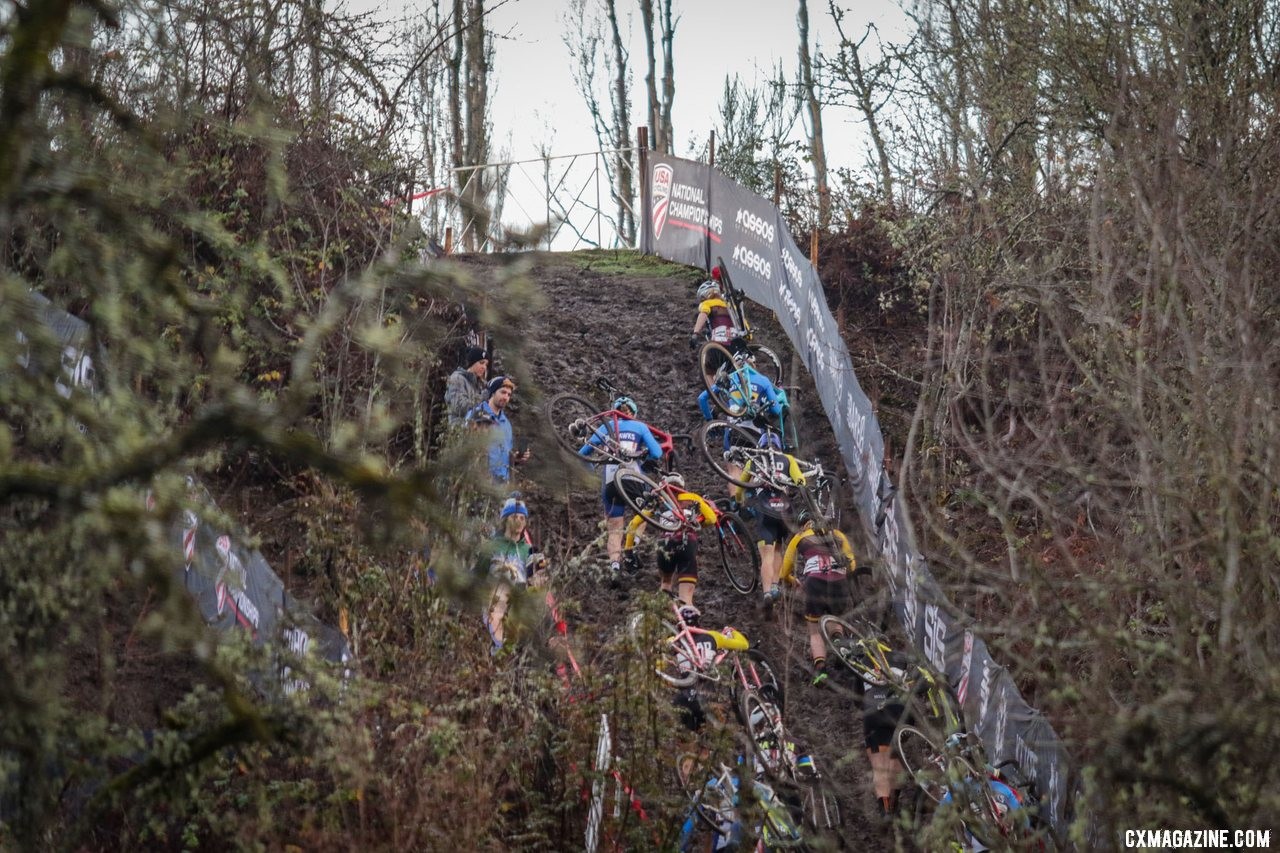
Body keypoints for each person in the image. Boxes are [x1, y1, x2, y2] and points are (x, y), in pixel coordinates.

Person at [577, 395, 664, 578]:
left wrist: (592, 471)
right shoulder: (639, 426)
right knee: (646, 512)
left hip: (610, 482)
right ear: (633, 412)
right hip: (631, 478)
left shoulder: (603, 428)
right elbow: (657, 452)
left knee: (614, 529)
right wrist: (645, 459)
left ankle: (614, 567)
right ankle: (631, 550)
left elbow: (582, 454)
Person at [778, 508, 863, 686]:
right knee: (835, 619)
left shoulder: (800, 537)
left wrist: (793, 581)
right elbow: (852, 565)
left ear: (803, 525)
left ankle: (820, 670)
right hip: (838, 581)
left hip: (814, 581)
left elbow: (784, 571)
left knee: (814, 629)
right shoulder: (838, 534)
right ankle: (841, 644)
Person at [620, 472, 718, 607]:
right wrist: (698, 525)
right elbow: (712, 519)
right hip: (687, 542)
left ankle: (662, 619)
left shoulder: (660, 501)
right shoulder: (692, 498)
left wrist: (628, 551)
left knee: (665, 585)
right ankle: (686, 623)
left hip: (665, 545)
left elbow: (633, 525)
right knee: (686, 598)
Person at [732, 432, 801, 608]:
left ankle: (767, 591)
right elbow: (801, 481)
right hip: (785, 512)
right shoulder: (788, 459)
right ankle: (776, 586)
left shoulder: (753, 460)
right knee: (779, 548)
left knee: (767, 555)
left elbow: (740, 489)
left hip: (764, 511)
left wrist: (741, 503)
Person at [475, 494, 548, 651]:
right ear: (506, 519)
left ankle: (522, 650)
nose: (520, 521)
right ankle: (502, 649)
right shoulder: (492, 546)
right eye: (515, 517)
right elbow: (478, 575)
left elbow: (539, 582)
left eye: (523, 518)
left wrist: (539, 577)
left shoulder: (529, 550)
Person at [697, 349, 788, 428]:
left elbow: (701, 398)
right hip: (756, 430)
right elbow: (776, 410)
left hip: (733, 427)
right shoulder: (763, 380)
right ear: (754, 365)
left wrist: (709, 420)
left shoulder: (730, 379)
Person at [466, 375, 530, 482]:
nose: (506, 397)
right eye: (503, 392)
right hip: (480, 483)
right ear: (493, 392)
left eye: (509, 394)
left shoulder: (506, 424)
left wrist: (517, 458)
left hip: (502, 485)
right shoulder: (477, 414)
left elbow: (505, 454)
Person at [445, 346, 488, 427]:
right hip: (459, 431)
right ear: (472, 362)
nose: (484, 367)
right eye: (481, 363)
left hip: (476, 432)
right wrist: (482, 399)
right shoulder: (457, 378)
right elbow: (459, 406)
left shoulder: (480, 384)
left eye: (486, 364)